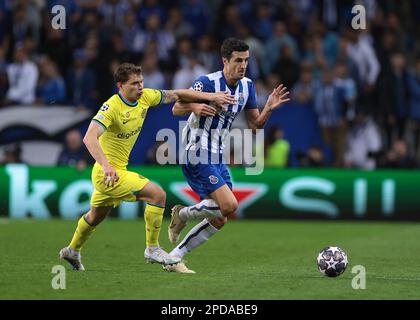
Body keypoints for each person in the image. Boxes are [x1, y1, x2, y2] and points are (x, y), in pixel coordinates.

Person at [59, 62, 236, 271]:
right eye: (134, 84)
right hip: (107, 173)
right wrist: (106, 165)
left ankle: (72, 250)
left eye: (141, 82)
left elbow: (177, 94)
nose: (140, 87)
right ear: (120, 86)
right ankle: (152, 248)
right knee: (157, 194)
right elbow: (89, 138)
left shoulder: (145, 97)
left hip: (117, 172)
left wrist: (207, 98)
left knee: (94, 217)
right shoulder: (112, 107)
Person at [167, 38, 290, 273]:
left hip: (217, 154)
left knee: (221, 218)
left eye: (246, 60)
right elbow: (176, 107)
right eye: (238, 60)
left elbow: (255, 126)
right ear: (225, 61)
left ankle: (174, 256)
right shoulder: (207, 82)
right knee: (229, 205)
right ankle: (181, 214)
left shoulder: (248, 87)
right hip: (196, 150)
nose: (243, 65)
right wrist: (197, 106)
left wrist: (268, 108)